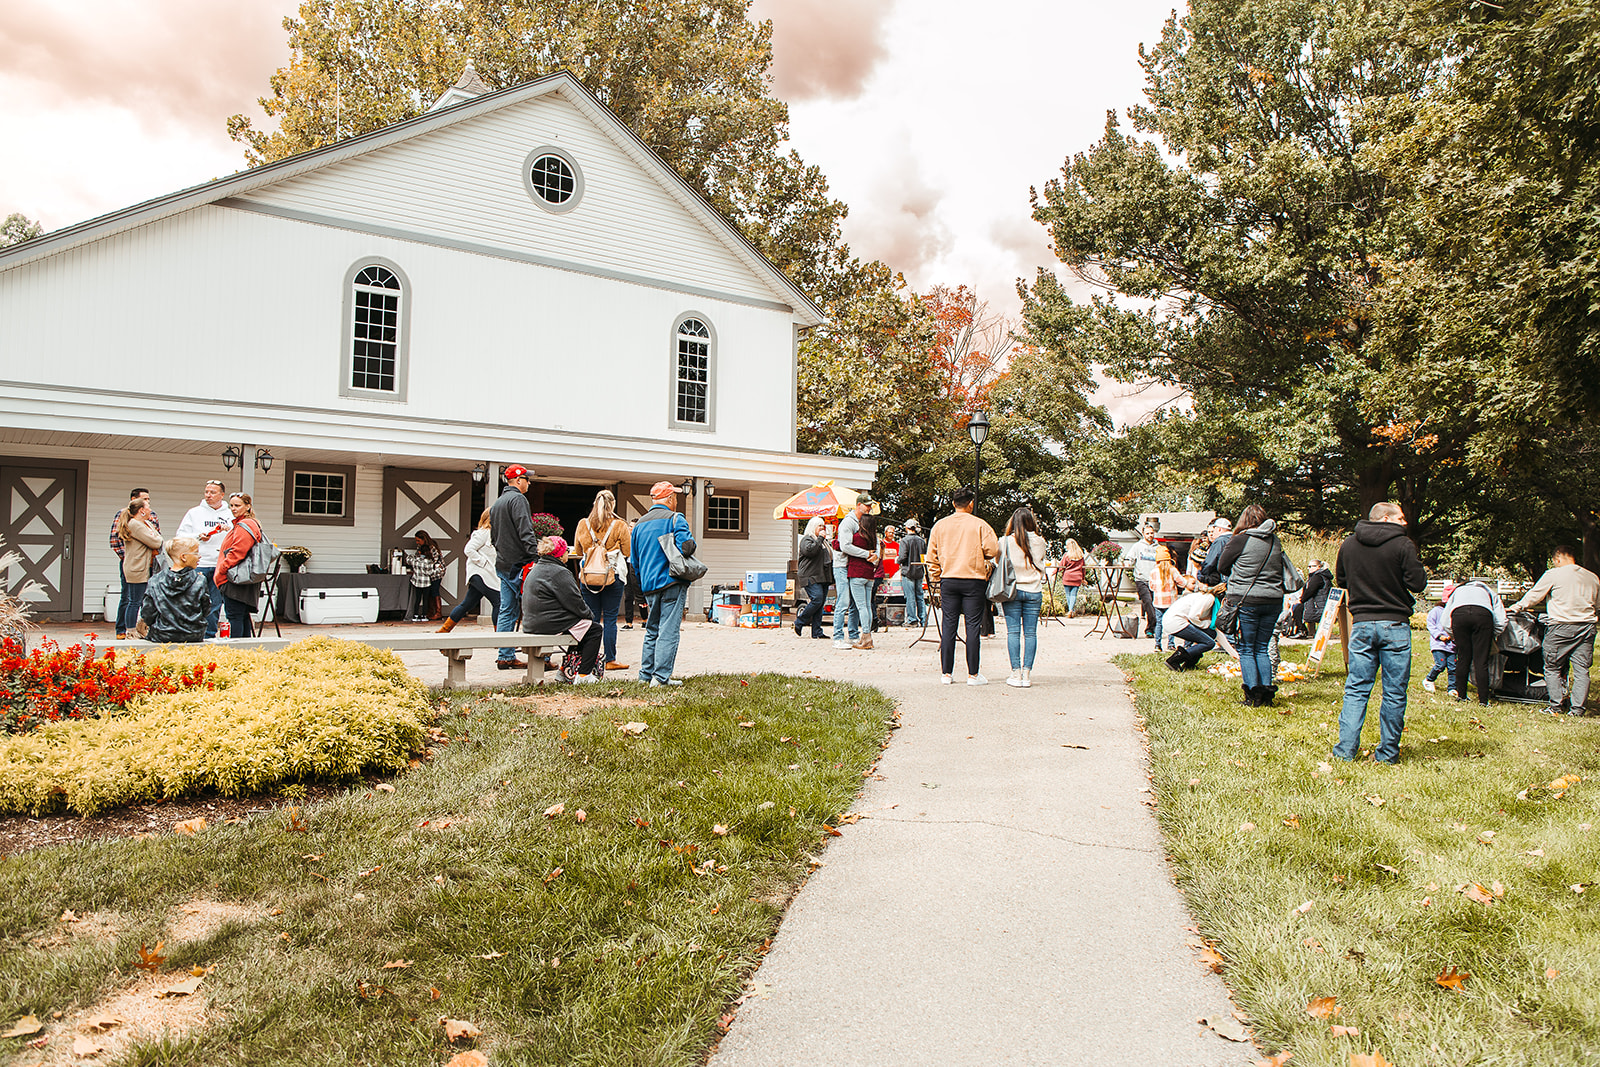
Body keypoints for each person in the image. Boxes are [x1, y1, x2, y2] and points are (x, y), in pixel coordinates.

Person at [1331, 501, 1428, 763]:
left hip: (1362, 623)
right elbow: (1417, 583)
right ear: (1385, 518)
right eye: (1401, 518)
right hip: (1394, 624)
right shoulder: (1403, 545)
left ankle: (1345, 751)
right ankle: (1387, 754)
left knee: (1356, 689)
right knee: (1394, 692)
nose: (1405, 522)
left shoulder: (1349, 544)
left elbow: (1342, 580)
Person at [1509, 545, 1600, 716]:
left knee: (1552, 667)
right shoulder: (1592, 577)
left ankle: (1555, 706)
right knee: (1582, 670)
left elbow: (1535, 596)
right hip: (1586, 627)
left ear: (1557, 559)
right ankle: (1578, 709)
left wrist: (1517, 607)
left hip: (1561, 626)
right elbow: (1598, 604)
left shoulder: (1554, 574)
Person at [1216, 504, 1290, 706]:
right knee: (1262, 647)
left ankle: (1252, 694)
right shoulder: (1275, 540)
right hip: (1274, 599)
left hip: (1247, 599)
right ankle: (1266, 694)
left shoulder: (1240, 540)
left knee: (1247, 648)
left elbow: (1221, 565)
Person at [926, 486, 999, 685]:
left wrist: (936, 578)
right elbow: (993, 549)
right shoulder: (980, 525)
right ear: (971, 503)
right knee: (973, 627)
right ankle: (973, 674)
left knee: (948, 625)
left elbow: (931, 556)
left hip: (948, 579)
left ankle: (946, 674)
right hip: (973, 579)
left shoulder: (940, 526)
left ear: (952, 504)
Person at [631, 480, 697, 686]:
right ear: (669, 498)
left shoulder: (639, 524)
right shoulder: (675, 518)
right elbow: (687, 547)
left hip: (649, 584)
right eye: (675, 497)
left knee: (652, 629)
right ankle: (660, 678)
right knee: (668, 630)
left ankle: (645, 676)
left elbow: (634, 562)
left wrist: (641, 590)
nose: (676, 500)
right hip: (671, 581)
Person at [521, 536, 602, 683]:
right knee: (594, 630)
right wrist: (589, 615)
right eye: (566, 551)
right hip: (547, 623)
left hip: (532, 622)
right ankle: (584, 675)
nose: (567, 554)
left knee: (580, 631)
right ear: (559, 554)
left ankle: (565, 671)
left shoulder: (537, 568)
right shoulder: (559, 572)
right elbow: (575, 601)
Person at [574, 489, 632, 671]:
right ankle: (610, 659)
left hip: (589, 576)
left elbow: (578, 551)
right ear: (612, 504)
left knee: (590, 619)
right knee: (610, 618)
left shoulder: (583, 524)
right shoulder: (619, 525)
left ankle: (587, 659)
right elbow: (627, 552)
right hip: (611, 576)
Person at [490, 465, 540, 670]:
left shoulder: (497, 503)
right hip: (520, 565)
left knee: (506, 610)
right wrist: (536, 556)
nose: (529, 483)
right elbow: (525, 530)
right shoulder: (518, 499)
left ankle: (505, 655)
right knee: (534, 609)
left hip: (503, 563)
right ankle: (540, 657)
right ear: (518, 480)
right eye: (527, 479)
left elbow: (493, 537)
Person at [175, 479, 232, 638]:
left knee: (215, 603)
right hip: (198, 564)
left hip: (219, 564)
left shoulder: (229, 515)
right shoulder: (194, 513)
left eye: (213, 492)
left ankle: (209, 635)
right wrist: (198, 537)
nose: (208, 495)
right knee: (193, 600)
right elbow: (181, 535)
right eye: (206, 492)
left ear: (222, 495)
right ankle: (191, 633)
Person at [1000, 507, 1050, 688]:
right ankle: (1027, 674)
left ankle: (1016, 672)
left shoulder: (1005, 541)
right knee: (1030, 633)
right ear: (1031, 522)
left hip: (1012, 590)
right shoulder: (1040, 541)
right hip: (1034, 590)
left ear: (1012, 522)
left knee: (1013, 632)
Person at [1445, 578, 1507, 706]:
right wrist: (1492, 634)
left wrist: (1453, 634)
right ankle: (1483, 700)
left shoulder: (1458, 591)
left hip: (1459, 615)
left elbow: (1445, 619)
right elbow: (1501, 619)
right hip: (1483, 615)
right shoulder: (1488, 591)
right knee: (1481, 661)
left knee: (1462, 658)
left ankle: (1461, 695)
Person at [136, 537, 209, 644]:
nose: (199, 556)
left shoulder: (155, 580)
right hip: (193, 635)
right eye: (196, 553)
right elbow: (206, 609)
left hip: (161, 635)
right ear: (183, 557)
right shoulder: (199, 580)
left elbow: (148, 613)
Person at [109, 487, 159, 638]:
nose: (148, 503)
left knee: (147, 599)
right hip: (134, 565)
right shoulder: (129, 519)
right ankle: (124, 631)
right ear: (135, 501)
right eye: (145, 500)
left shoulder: (151, 517)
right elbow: (115, 540)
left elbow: (157, 536)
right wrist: (129, 558)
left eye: (148, 499)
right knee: (130, 598)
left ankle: (143, 628)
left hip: (148, 564)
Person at [438, 510, 498, 634]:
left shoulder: (493, 534)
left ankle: (444, 630)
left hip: (486, 574)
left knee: (467, 604)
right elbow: (469, 549)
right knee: (499, 602)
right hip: (480, 574)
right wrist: (482, 562)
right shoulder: (482, 533)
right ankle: (500, 637)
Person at [213, 493, 264, 638]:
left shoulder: (245, 525)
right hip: (242, 577)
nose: (233, 509)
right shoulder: (246, 524)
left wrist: (222, 569)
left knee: (235, 616)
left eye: (237, 505)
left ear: (248, 506)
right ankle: (245, 650)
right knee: (241, 616)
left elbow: (238, 552)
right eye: (231, 505)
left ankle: (237, 650)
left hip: (236, 578)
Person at [844, 506, 880, 650]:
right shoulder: (873, 539)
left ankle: (866, 637)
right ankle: (868, 635)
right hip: (869, 575)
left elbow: (842, 546)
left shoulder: (857, 538)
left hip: (856, 573)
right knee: (867, 606)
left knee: (861, 607)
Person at [1162, 587, 1221, 671]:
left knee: (1211, 634)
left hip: (1174, 621)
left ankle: (1190, 664)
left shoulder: (1209, 599)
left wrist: (1236, 655)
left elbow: (1217, 634)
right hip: (1176, 622)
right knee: (1209, 643)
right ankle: (1174, 660)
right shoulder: (1209, 598)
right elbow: (1193, 616)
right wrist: (1204, 624)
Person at [1122, 525, 1165, 637]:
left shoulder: (1158, 547)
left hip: (1155, 580)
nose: (1150, 535)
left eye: (1151, 533)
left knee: (1155, 604)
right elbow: (1129, 558)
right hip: (1141, 579)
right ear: (1143, 534)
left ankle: (1151, 628)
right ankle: (1152, 627)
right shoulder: (1137, 546)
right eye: (1147, 533)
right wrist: (1127, 563)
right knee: (1148, 602)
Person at [794, 517, 832, 639]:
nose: (822, 529)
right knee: (817, 599)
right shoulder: (807, 540)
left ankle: (817, 631)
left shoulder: (824, 542)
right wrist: (820, 538)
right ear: (813, 527)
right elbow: (810, 551)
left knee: (820, 604)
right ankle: (800, 621)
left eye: (823, 526)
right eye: (819, 526)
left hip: (822, 576)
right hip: (809, 575)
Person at [1149, 548, 1191, 649]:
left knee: (1159, 623)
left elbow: (1151, 587)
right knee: (1171, 622)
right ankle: (1171, 644)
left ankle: (1157, 644)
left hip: (1158, 602)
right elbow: (1182, 583)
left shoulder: (1153, 571)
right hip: (1171, 602)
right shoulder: (1172, 570)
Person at [828, 515, 859, 648]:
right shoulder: (846, 525)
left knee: (854, 602)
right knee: (843, 601)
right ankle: (838, 637)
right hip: (841, 566)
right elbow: (845, 547)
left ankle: (853, 634)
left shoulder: (854, 524)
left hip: (850, 566)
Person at [1423, 581, 1458, 695]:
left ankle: (1452, 688)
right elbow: (1431, 625)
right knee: (1440, 665)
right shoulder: (1437, 611)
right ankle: (1429, 679)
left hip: (1452, 646)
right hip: (1439, 644)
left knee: (1453, 667)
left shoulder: (1456, 613)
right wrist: (1439, 635)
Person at [405, 530, 445, 621]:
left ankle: (438, 612)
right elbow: (417, 557)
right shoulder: (420, 547)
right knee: (429, 593)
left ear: (424, 539)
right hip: (427, 573)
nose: (417, 542)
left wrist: (427, 569)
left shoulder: (432, 547)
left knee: (434, 591)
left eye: (418, 540)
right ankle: (429, 612)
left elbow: (435, 561)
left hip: (436, 572)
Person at [898, 519, 928, 629]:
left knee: (910, 596)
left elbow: (902, 557)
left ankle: (912, 620)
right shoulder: (921, 541)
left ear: (907, 528)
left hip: (908, 571)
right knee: (920, 596)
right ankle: (923, 619)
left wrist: (897, 560)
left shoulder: (904, 541)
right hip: (919, 571)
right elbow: (925, 556)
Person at [1295, 559, 1331, 638]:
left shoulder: (1318, 577)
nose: (1309, 568)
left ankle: (1301, 631)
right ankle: (1303, 631)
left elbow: (1310, 590)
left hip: (1318, 605)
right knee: (1298, 607)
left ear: (1318, 567)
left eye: (1311, 566)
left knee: (1297, 608)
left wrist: (1301, 600)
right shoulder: (1317, 576)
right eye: (1308, 566)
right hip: (1316, 603)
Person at [1197, 517, 1234, 586]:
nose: (1213, 533)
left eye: (1214, 530)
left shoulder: (1220, 541)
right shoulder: (1235, 539)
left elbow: (1210, 562)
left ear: (1219, 529)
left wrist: (1201, 573)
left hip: (1223, 581)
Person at [1058, 539, 1086, 616]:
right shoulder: (1080, 556)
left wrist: (1054, 573)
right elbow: (1083, 568)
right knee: (1073, 594)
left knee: (1068, 594)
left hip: (1067, 577)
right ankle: (1071, 610)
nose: (1065, 546)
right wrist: (1083, 578)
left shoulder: (1067, 555)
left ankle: (1070, 610)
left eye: (1066, 545)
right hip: (1077, 577)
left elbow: (1061, 566)